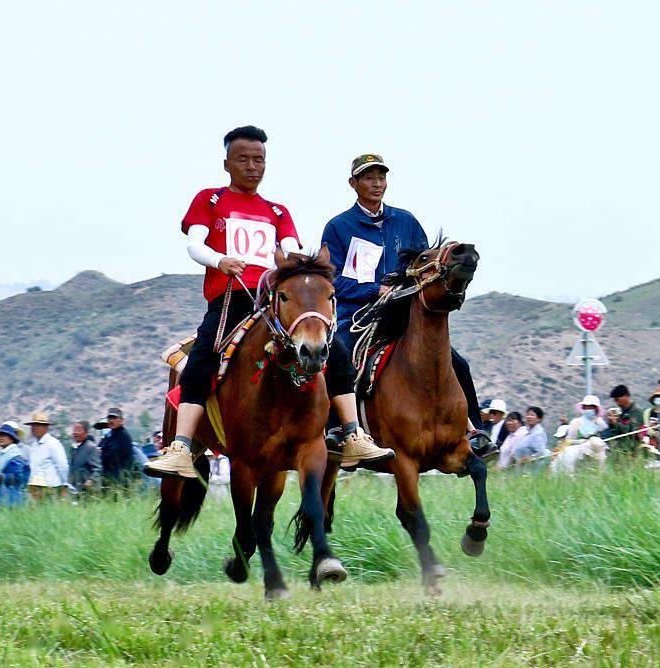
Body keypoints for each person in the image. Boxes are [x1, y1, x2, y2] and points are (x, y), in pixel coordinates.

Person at [145, 127, 393, 480]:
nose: (252, 166)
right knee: (202, 356)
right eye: (243, 159)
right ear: (227, 163)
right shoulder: (210, 199)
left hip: (273, 302)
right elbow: (194, 245)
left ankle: (353, 434)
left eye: (259, 160)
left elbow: (290, 251)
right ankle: (182, 446)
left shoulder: (277, 210)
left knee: (333, 350)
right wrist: (220, 261)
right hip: (231, 300)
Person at [320, 153, 495, 459]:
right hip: (359, 316)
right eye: (369, 178)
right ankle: (338, 431)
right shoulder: (338, 227)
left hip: (406, 314)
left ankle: (476, 432)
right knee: (341, 359)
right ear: (354, 183)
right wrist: (376, 290)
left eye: (381, 177)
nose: (377, 184)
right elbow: (332, 280)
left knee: (458, 363)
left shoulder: (406, 221)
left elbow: (425, 268)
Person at [23, 412, 69, 500]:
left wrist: (64, 484)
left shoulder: (53, 444)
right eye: (33, 426)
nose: (34, 428)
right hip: (35, 489)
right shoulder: (33, 446)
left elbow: (62, 465)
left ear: (45, 427)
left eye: (38, 425)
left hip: (51, 488)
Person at [0, 423, 29, 507]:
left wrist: (0, 477)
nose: (0, 438)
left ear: (11, 438)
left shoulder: (15, 455)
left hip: (12, 498)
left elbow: (19, 477)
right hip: (5, 495)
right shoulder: (4, 454)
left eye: (4, 435)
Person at [96, 408, 137, 491]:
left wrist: (101, 453)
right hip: (110, 478)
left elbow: (113, 455)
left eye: (114, 418)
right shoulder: (110, 435)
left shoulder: (123, 436)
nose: (111, 421)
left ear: (121, 420)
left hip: (120, 481)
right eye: (109, 418)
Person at [68, 420, 102, 494]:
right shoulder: (73, 447)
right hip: (75, 487)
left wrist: (91, 480)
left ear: (86, 433)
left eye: (79, 430)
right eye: (74, 430)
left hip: (88, 490)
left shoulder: (91, 447)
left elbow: (98, 468)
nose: (75, 432)